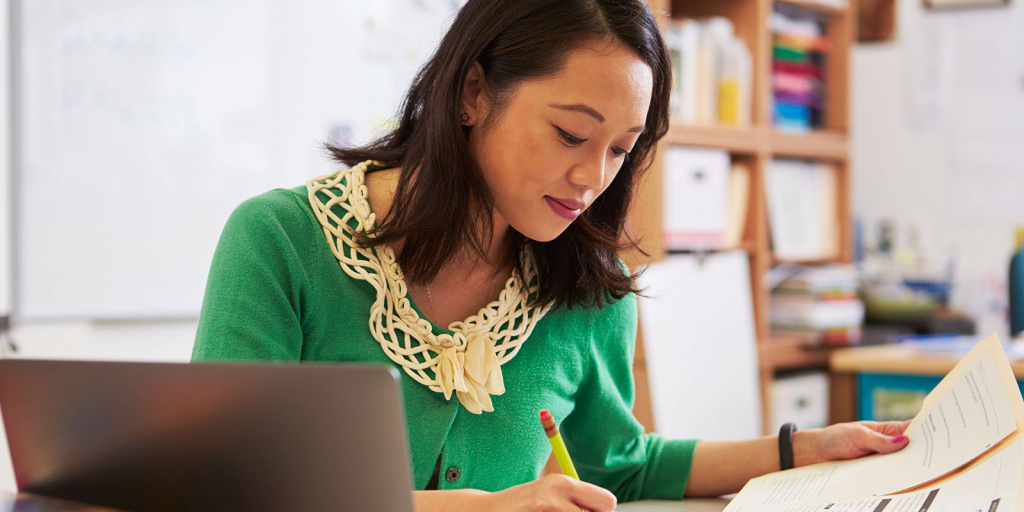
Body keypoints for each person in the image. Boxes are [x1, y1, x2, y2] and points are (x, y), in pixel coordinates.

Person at [192, 0, 910, 510]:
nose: (593, 179)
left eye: (621, 151)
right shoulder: (281, 243)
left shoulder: (589, 289)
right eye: (571, 135)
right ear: (473, 92)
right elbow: (226, 484)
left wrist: (801, 453)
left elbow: (620, 467)